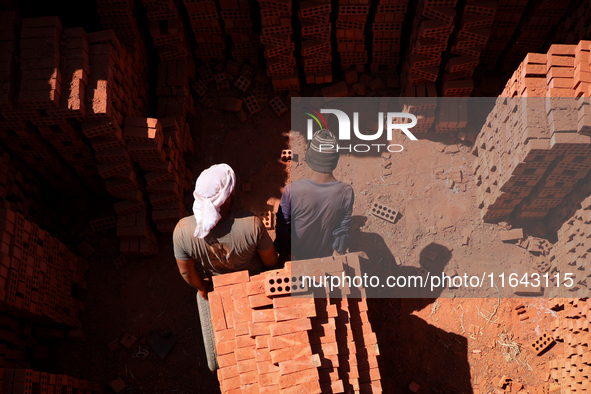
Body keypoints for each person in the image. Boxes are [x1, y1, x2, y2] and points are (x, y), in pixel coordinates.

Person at [173, 163, 278, 300]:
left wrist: (202, 286)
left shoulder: (182, 230)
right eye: (231, 189)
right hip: (253, 282)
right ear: (226, 198)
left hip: (220, 286)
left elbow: (186, 272)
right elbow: (271, 261)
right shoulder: (251, 225)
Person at [276, 129, 355, 261]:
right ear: (335, 160)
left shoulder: (292, 190)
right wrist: (338, 252)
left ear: (308, 158)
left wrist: (287, 253)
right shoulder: (346, 192)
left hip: (295, 256)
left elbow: (283, 230)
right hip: (324, 258)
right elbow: (342, 231)